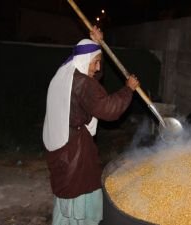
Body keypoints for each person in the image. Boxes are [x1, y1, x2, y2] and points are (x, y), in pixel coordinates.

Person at [42, 26, 139, 225]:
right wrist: (128, 90)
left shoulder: (66, 72)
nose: (97, 68)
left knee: (66, 191)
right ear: (86, 60)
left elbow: (94, 79)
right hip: (74, 150)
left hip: (60, 144)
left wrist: (97, 44)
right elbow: (108, 109)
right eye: (96, 62)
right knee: (80, 187)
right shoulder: (83, 84)